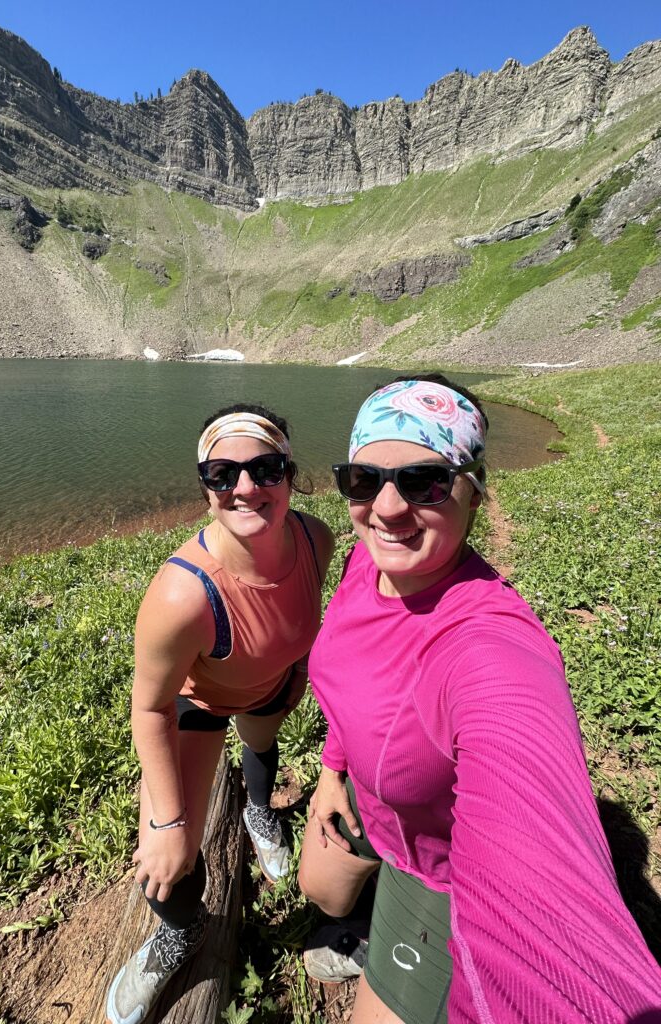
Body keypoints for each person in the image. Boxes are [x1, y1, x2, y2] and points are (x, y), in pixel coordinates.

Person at [298, 375, 661, 1023]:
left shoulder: (489, 647)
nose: (385, 509)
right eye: (362, 479)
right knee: (318, 892)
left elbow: (552, 928)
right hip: (369, 788)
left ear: (473, 490)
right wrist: (333, 767)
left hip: (437, 866)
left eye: (424, 482)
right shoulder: (370, 562)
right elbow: (353, 671)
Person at [107, 404, 334, 1024]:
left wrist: (294, 676)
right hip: (197, 709)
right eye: (222, 473)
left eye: (264, 468)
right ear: (204, 486)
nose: (244, 487)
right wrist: (168, 824)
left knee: (262, 751)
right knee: (166, 856)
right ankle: (179, 933)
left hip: (269, 689)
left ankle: (260, 811)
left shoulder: (317, 540)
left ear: (290, 474)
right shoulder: (182, 593)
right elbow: (149, 706)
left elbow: (299, 620)